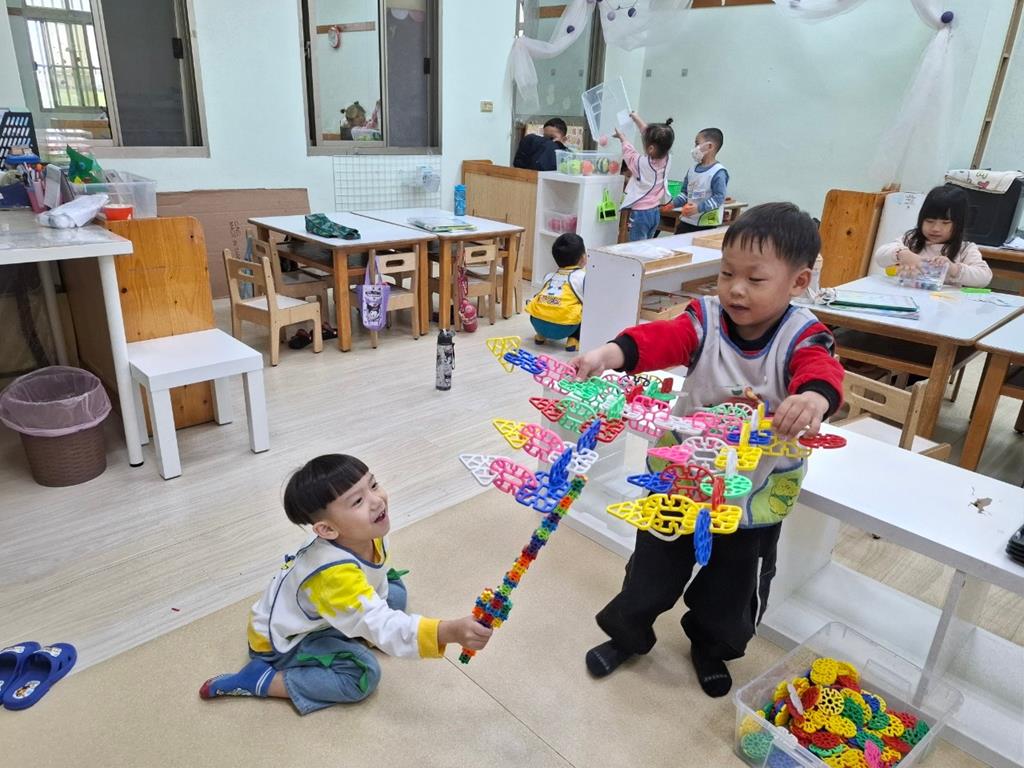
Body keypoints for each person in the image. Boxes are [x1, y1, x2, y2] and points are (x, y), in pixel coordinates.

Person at [572, 203, 844, 698]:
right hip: (684, 478)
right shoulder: (706, 318)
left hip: (752, 493)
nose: (735, 289)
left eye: (755, 279)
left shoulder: (803, 334)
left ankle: (711, 646)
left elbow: (821, 370)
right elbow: (665, 337)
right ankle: (628, 635)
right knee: (650, 570)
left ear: (799, 282)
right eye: (726, 273)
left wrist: (812, 398)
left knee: (733, 589)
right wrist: (614, 352)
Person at [199, 455, 491, 714]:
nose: (377, 501)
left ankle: (358, 630)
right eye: (358, 501)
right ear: (327, 529)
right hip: (285, 641)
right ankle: (261, 680)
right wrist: (448, 631)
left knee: (395, 594)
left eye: (373, 485)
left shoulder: (366, 531)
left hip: (326, 612)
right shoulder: (333, 575)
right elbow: (380, 621)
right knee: (362, 675)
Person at [873, 184, 992, 287]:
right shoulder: (911, 240)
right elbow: (880, 257)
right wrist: (902, 254)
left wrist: (953, 268)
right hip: (906, 296)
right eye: (929, 221)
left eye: (945, 223)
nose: (935, 229)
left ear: (959, 224)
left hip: (942, 302)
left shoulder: (965, 249)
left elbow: (984, 277)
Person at [617, 112, 674, 242]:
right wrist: (636, 119)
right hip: (655, 212)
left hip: (641, 214)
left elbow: (629, 154)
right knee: (647, 245)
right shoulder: (667, 158)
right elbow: (649, 134)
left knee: (637, 247)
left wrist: (622, 138)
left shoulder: (643, 164)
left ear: (651, 148)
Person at [526, 233, 587, 352]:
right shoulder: (582, 277)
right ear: (583, 258)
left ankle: (540, 336)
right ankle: (574, 340)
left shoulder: (549, 276)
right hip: (564, 328)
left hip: (537, 323)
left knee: (538, 299)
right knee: (584, 307)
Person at [671, 128, 729, 235]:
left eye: (697, 143)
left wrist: (698, 208)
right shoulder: (692, 170)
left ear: (709, 146)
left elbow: (719, 198)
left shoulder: (718, 172)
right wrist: (673, 204)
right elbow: (685, 193)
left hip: (706, 225)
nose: (695, 148)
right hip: (686, 221)